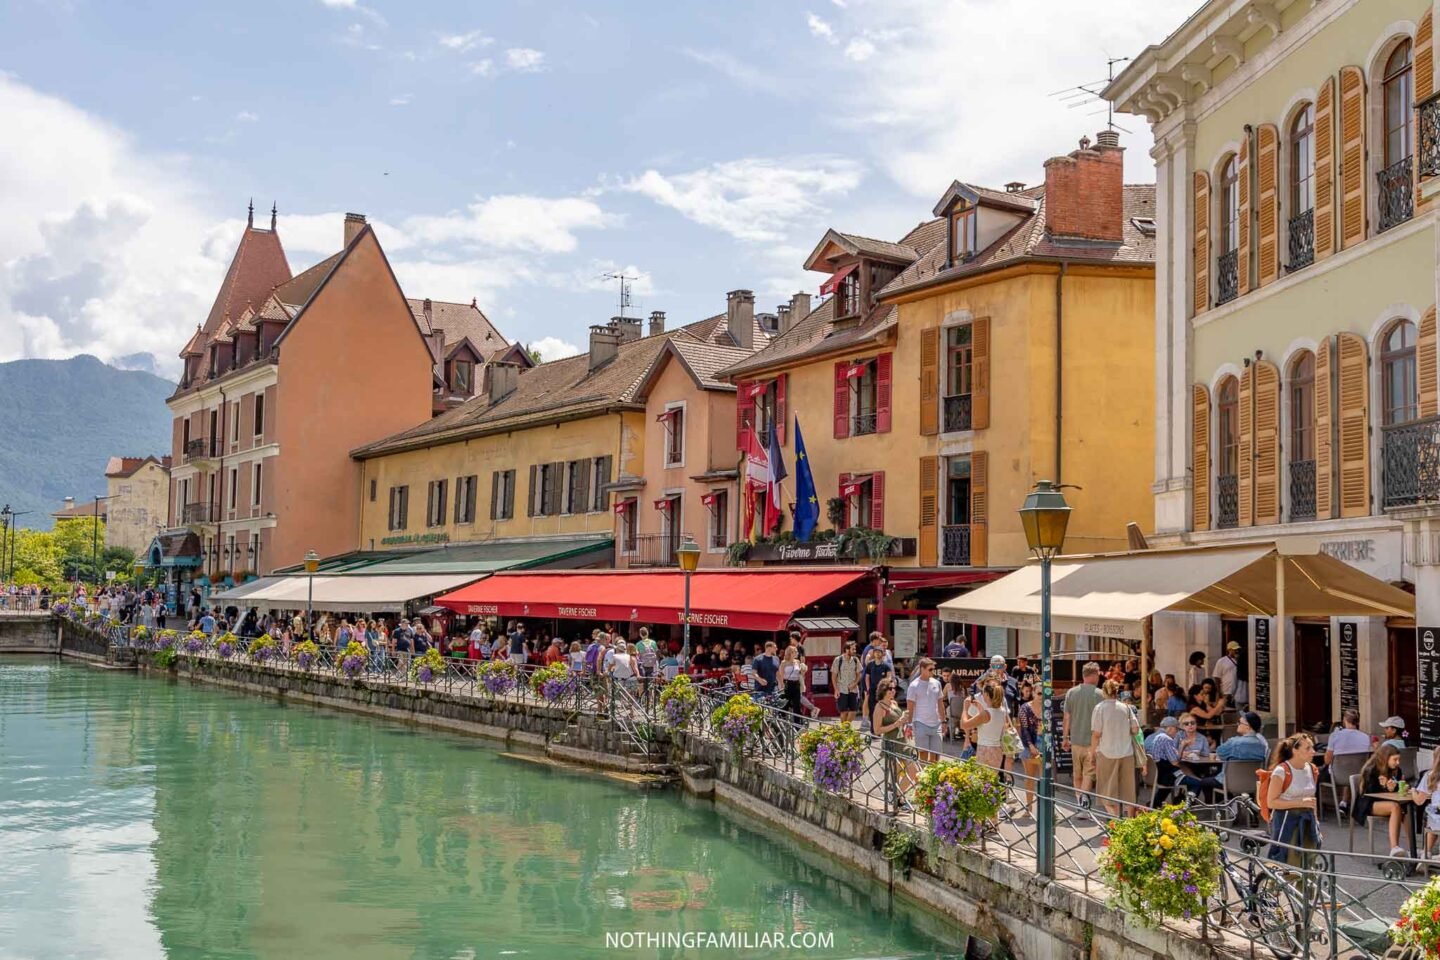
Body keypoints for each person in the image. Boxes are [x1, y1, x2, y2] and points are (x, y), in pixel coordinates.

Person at [1266, 734, 1321, 866]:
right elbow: (1271, 802)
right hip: (1286, 820)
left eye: (1312, 748)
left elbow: (1312, 800)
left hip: (1307, 820)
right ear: (1295, 750)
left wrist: (1317, 825)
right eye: (1308, 748)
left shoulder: (1312, 769)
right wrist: (1299, 803)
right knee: (1286, 862)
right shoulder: (1281, 771)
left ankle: (1306, 887)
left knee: (1309, 863)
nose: (1313, 751)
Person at [1090, 679, 1142, 816]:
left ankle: (1117, 820)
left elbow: (1096, 734)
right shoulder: (1126, 707)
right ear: (1117, 691)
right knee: (1128, 791)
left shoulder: (1100, 708)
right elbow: (1136, 730)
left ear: (1103, 691)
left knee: (1105, 791)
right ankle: (1130, 823)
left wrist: (1092, 754)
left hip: (1106, 752)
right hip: (1126, 753)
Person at [1352, 744, 1411, 858]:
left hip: (1387, 802)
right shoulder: (1372, 770)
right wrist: (1384, 787)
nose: (1397, 762)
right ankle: (1394, 848)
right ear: (1385, 758)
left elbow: (1397, 790)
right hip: (1368, 803)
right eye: (1395, 759)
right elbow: (1369, 793)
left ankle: (1412, 848)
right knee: (1395, 807)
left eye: (1398, 759)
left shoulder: (1396, 771)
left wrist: (1397, 788)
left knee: (1407, 810)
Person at [1146, 716, 1221, 803]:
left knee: (1189, 777)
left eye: (1193, 723)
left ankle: (1155, 804)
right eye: (1176, 729)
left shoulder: (1152, 737)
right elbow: (1175, 762)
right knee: (1196, 782)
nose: (1177, 732)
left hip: (1156, 774)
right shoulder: (1165, 739)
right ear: (1170, 728)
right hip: (1165, 775)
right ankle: (1186, 807)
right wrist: (1182, 747)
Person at [873, 678, 918, 808]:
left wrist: (904, 722)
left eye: (894, 689)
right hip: (891, 743)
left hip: (903, 741)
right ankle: (897, 800)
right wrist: (896, 723)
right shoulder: (880, 707)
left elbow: (899, 723)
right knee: (895, 775)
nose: (893, 691)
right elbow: (877, 730)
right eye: (890, 689)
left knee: (913, 771)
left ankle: (897, 796)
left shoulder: (894, 703)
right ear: (883, 690)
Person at [1062, 662, 1104, 799]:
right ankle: (1083, 805)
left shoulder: (1071, 692)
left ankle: (1080, 801)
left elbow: (1067, 717)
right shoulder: (1101, 694)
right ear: (1094, 675)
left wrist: (1065, 738)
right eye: (1098, 674)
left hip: (1075, 740)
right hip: (1093, 742)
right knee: (1088, 774)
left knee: (1077, 774)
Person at [961, 679, 1011, 774]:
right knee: (991, 780)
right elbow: (988, 723)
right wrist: (980, 708)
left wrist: (965, 708)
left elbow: (964, 725)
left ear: (987, 695)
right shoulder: (1003, 711)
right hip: (997, 749)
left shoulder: (986, 714)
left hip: (985, 749)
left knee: (982, 781)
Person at [905, 658, 945, 763]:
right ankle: (923, 778)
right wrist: (909, 725)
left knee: (936, 756)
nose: (933, 672)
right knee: (923, 755)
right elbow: (910, 707)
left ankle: (933, 779)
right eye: (930, 669)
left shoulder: (937, 683)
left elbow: (940, 703)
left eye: (933, 669)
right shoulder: (914, 686)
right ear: (922, 669)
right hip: (920, 723)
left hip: (936, 724)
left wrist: (944, 721)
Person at [1017, 680, 1043, 816]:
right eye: (1039, 693)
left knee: (1046, 779)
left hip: (1045, 744)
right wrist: (1031, 745)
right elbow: (1024, 729)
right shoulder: (1025, 708)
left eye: (1045, 694)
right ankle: (1029, 807)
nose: (1042, 696)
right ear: (1033, 693)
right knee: (1030, 778)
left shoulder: (1048, 707)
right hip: (1029, 745)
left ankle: (1046, 808)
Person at [860, 646, 894, 731]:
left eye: (879, 652)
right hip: (872, 690)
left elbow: (889, 677)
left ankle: (882, 728)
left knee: (883, 709)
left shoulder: (886, 666)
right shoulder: (870, 665)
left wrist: (885, 688)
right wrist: (868, 688)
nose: (877, 654)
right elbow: (867, 677)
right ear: (873, 654)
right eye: (876, 652)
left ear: (882, 654)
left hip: (882, 691)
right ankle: (873, 729)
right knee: (872, 709)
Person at [831, 639, 862, 726]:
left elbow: (859, 674)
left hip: (854, 690)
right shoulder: (838, 660)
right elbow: (834, 676)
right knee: (843, 711)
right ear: (847, 649)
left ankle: (846, 727)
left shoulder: (856, 660)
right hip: (842, 689)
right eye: (853, 649)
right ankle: (844, 730)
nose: (855, 651)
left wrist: (855, 683)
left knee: (853, 711)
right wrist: (836, 689)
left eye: (855, 649)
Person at [779, 645, 806, 720]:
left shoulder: (797, 662)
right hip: (788, 684)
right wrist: (782, 685)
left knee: (797, 706)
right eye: (796, 651)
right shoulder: (784, 663)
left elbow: (800, 674)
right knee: (785, 705)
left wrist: (803, 672)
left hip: (796, 684)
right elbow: (781, 675)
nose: (797, 653)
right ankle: (782, 722)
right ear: (791, 652)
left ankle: (797, 726)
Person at [1215, 641, 1241, 706]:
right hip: (1226, 690)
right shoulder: (1221, 661)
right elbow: (1217, 676)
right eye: (1234, 649)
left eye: (1237, 649)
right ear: (1229, 650)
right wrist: (1219, 691)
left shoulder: (1240, 660)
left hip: (1238, 691)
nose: (1236, 651)